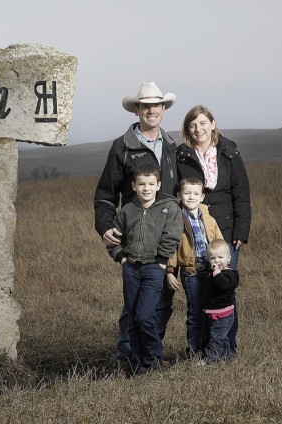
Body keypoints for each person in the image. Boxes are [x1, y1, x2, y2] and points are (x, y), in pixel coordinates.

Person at [94, 82, 179, 374]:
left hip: (165, 236)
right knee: (133, 306)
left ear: (163, 110)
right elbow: (106, 193)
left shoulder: (170, 147)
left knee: (162, 301)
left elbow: (180, 191)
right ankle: (127, 359)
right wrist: (105, 225)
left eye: (157, 105)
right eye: (146, 106)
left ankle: (150, 356)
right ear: (137, 110)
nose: (151, 110)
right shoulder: (123, 146)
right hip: (136, 239)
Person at [177, 105, 251, 354]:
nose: (198, 129)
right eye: (192, 125)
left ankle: (227, 347)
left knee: (224, 288)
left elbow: (241, 193)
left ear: (212, 123)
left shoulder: (229, 152)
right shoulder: (183, 155)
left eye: (202, 123)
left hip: (225, 234)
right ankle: (206, 348)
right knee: (201, 290)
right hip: (195, 230)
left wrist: (241, 231)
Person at [107, 164, 182, 375]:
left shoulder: (168, 208)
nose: (146, 188)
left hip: (153, 269)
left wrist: (160, 261)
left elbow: (172, 235)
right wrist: (121, 258)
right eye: (141, 184)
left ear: (158, 185)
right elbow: (114, 239)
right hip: (131, 268)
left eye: (151, 184)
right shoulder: (127, 211)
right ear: (134, 186)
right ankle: (137, 364)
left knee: (145, 316)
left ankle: (153, 360)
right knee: (132, 317)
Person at [166, 177, 224, 358]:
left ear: (202, 197)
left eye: (196, 194)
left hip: (211, 271)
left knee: (210, 310)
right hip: (191, 272)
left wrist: (223, 266)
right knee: (196, 312)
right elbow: (172, 248)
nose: (191, 197)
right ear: (179, 195)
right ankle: (194, 351)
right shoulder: (176, 219)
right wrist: (169, 271)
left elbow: (219, 243)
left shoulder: (209, 219)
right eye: (187, 193)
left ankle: (210, 348)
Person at [201, 239, 240, 363]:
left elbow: (223, 285)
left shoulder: (231, 274)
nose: (216, 261)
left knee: (216, 337)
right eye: (212, 258)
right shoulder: (212, 274)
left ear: (229, 258)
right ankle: (226, 356)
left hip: (223, 314)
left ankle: (212, 359)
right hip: (213, 313)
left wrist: (216, 272)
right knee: (221, 338)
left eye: (220, 257)